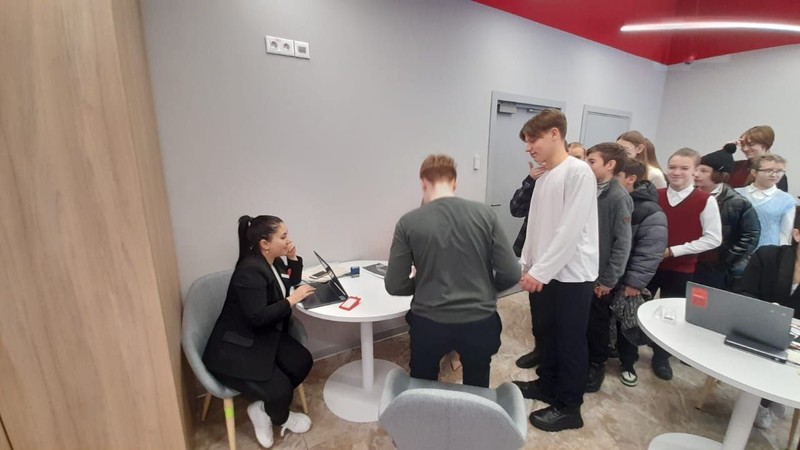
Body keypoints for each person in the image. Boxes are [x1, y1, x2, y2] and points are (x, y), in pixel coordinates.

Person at [384, 154, 519, 388]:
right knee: (478, 387)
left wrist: (421, 284)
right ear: (454, 182)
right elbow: (512, 273)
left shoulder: (408, 222)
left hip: (428, 322)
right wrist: (486, 289)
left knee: (422, 385)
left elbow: (394, 285)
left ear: (423, 182)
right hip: (479, 321)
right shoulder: (485, 214)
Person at [511, 109, 598, 432]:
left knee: (569, 342)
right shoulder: (546, 175)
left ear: (554, 134)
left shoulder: (578, 172)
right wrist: (527, 264)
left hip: (572, 276)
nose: (528, 148)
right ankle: (547, 384)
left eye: (532, 139)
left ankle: (570, 407)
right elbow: (534, 227)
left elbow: (569, 230)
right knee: (545, 333)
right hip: (545, 272)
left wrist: (540, 271)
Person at [203, 215, 316, 449]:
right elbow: (257, 317)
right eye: (283, 237)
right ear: (265, 243)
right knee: (281, 390)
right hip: (236, 346)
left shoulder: (273, 262)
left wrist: (292, 259)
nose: (288, 240)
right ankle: (277, 415)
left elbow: (289, 283)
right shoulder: (249, 272)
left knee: (303, 362)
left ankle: (263, 407)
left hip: (263, 334)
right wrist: (292, 300)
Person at [647, 148, 722, 380]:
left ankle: (661, 356)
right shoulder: (655, 195)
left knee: (670, 316)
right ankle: (628, 351)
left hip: (680, 268)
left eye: (684, 168)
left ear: (695, 171)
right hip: (648, 265)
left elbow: (713, 238)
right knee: (637, 307)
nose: (676, 172)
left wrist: (673, 251)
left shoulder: (705, 201)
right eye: (672, 167)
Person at [735, 206, 800, 429]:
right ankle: (765, 399)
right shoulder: (768, 256)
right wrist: (769, 311)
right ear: (797, 235)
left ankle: (772, 397)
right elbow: (743, 292)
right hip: (757, 326)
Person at [612, 159, 668, 387]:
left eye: (616, 176)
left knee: (627, 321)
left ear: (630, 178)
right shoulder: (611, 200)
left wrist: (634, 282)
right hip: (607, 275)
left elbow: (650, 251)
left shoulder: (650, 211)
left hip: (628, 278)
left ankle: (628, 363)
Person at [583, 143, 633, 393]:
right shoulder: (588, 189)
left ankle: (596, 364)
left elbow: (622, 243)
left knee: (597, 322)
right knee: (582, 319)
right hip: (583, 269)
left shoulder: (618, 197)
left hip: (600, 275)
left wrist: (608, 280)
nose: (586, 165)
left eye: (592, 161)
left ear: (610, 165)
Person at [693, 145, 761, 290]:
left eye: (703, 171)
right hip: (687, 258)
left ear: (721, 175)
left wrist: (728, 259)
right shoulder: (689, 194)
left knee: (705, 300)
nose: (696, 174)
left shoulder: (737, 202)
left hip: (715, 265)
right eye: (696, 169)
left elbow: (750, 235)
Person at [510, 162, 546, 369]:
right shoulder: (540, 182)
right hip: (535, 258)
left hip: (563, 265)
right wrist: (531, 180)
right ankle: (540, 350)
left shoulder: (579, 186)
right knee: (538, 309)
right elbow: (516, 209)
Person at [735, 154, 796, 248]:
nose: (774, 175)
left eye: (779, 171)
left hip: (769, 250)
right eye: (768, 170)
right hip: (738, 248)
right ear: (754, 172)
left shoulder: (787, 200)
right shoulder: (736, 194)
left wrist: (782, 253)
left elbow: (786, 233)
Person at [729, 125, 789, 192]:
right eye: (742, 145)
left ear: (765, 145)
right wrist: (726, 149)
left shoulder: (776, 173)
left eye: (751, 144)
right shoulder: (735, 166)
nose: (745, 149)